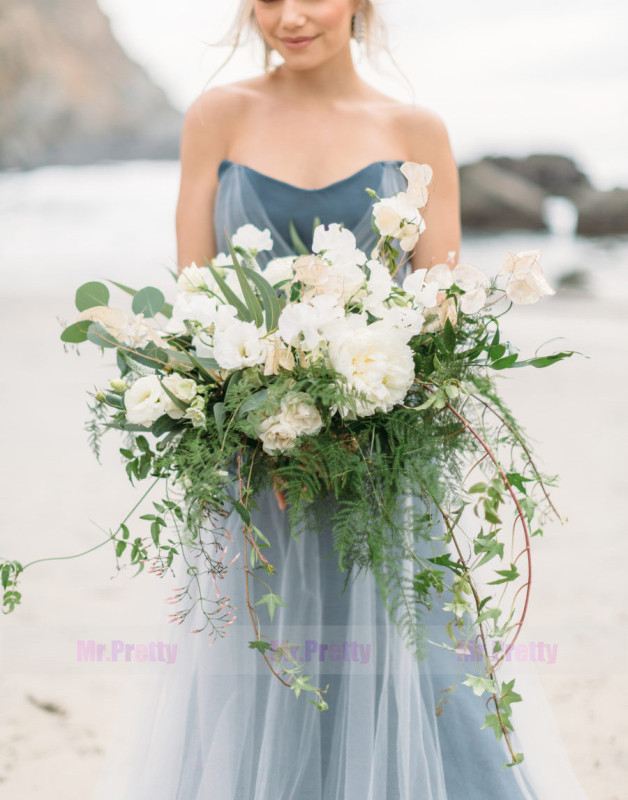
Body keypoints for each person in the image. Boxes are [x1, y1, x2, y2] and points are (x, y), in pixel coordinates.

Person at [91, 2, 591, 798]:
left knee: (419, 660)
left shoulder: (415, 130)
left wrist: (368, 400)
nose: (289, 16)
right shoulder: (217, 118)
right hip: (257, 468)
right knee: (261, 672)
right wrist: (254, 408)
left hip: (384, 465)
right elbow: (193, 304)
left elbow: (441, 312)